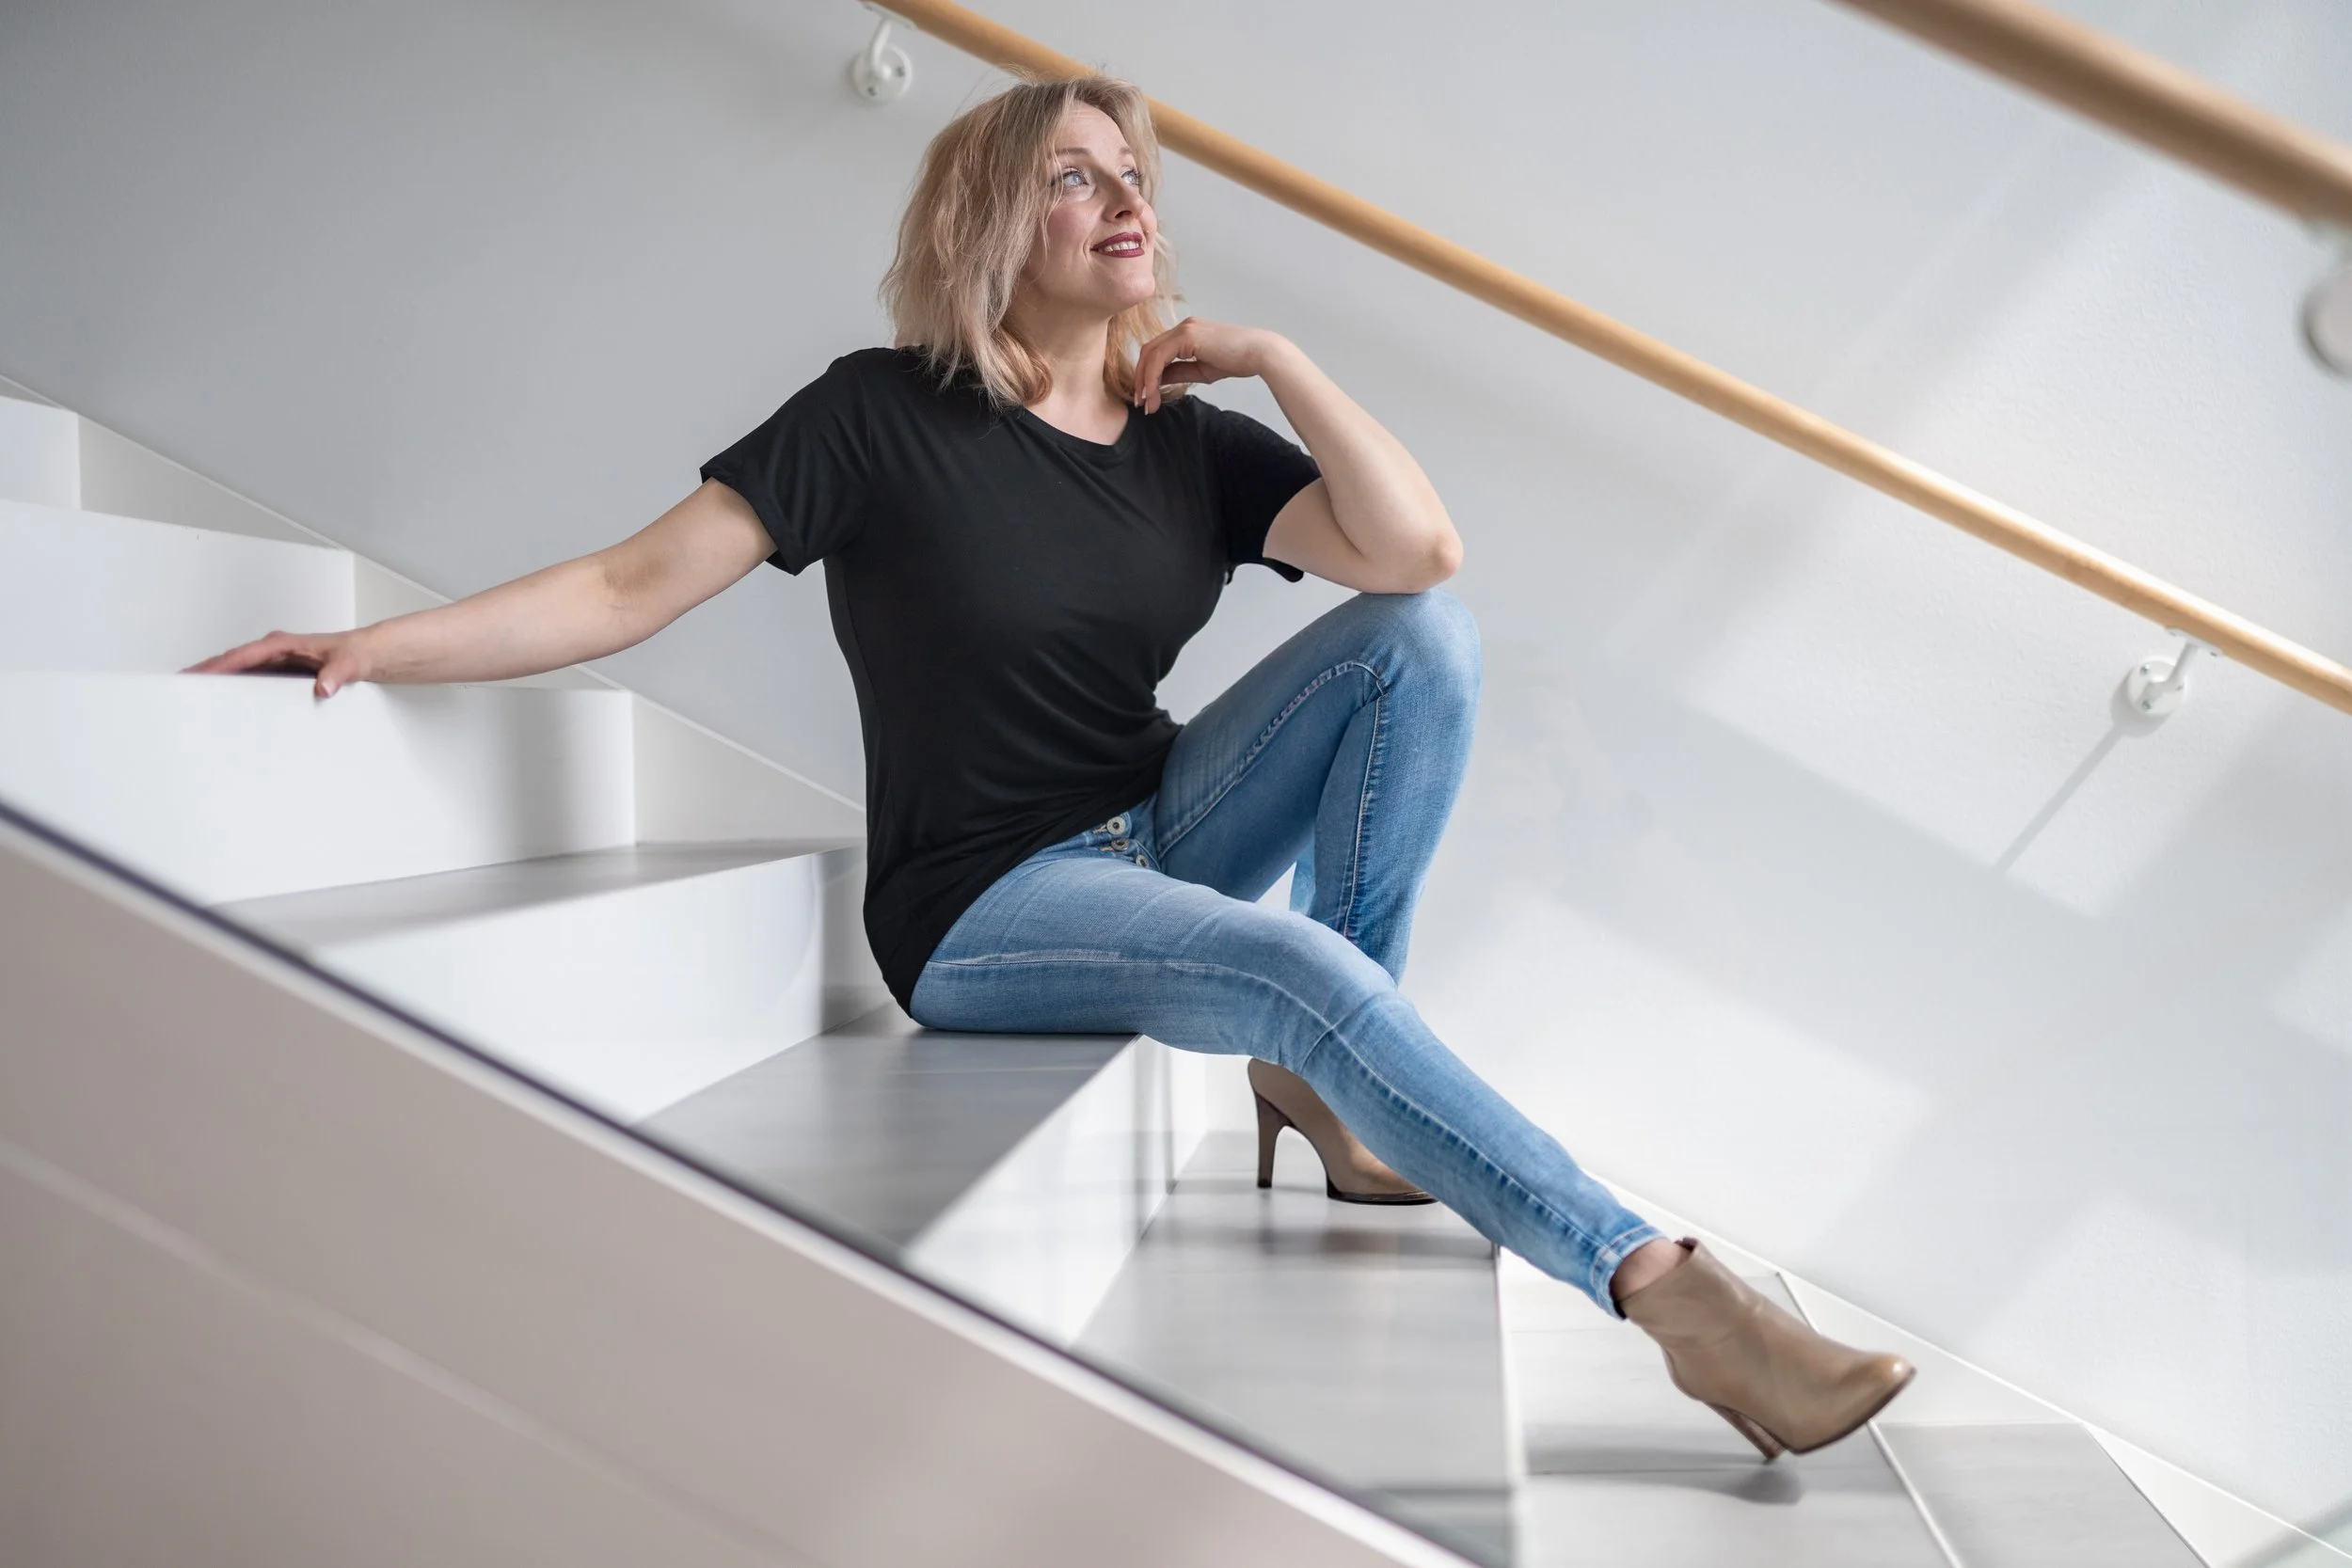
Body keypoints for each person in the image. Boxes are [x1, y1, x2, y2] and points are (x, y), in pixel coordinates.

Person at [188, 73, 1912, 1459]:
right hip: (984, 901)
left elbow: (1419, 557)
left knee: (1421, 649)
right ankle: (1668, 1289)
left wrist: (1280, 360)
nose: (1125, 194)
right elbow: (632, 583)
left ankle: (1327, 1073)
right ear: (991, 221)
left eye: (1134, 170)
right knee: (1292, 962)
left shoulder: (1190, 443)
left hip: (1153, 826)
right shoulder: (877, 414)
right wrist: (367, 645)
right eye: (1077, 174)